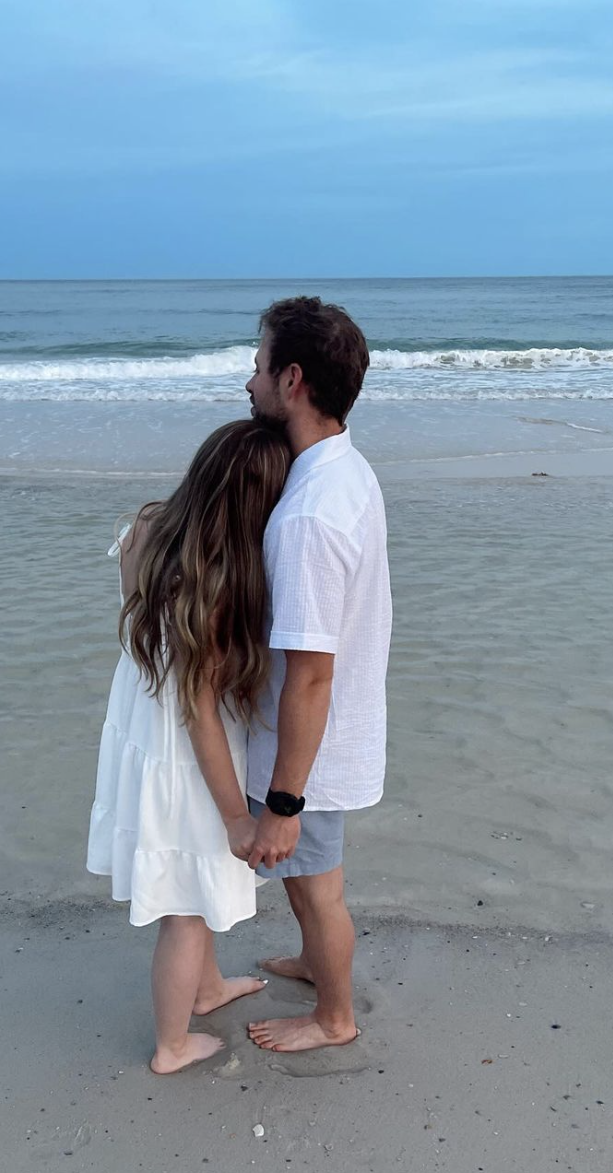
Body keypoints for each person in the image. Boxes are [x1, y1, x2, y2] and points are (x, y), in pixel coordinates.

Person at [86, 419, 291, 1074]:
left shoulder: (149, 526)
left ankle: (207, 989)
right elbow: (201, 713)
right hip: (185, 752)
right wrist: (237, 814)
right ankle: (172, 1045)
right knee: (184, 911)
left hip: (142, 721)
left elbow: (145, 639)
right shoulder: (218, 579)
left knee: (192, 892)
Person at [240, 296, 392, 1054]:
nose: (249, 382)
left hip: (311, 750)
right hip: (331, 733)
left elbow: (308, 677)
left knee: (317, 887)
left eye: (259, 365)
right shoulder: (342, 466)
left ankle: (335, 1016)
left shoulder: (309, 515)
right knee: (309, 884)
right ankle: (311, 962)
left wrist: (283, 801)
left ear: (292, 378)